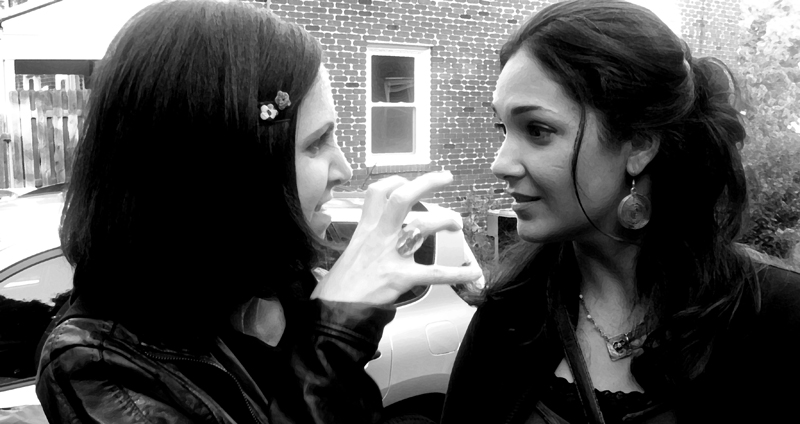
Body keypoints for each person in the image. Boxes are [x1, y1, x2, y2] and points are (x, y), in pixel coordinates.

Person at [35, 1, 482, 423]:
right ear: (230, 167)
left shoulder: (275, 279)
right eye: (317, 143)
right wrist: (333, 341)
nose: (344, 169)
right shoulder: (97, 366)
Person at [441, 1, 800, 423]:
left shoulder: (775, 316)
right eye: (502, 129)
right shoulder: (509, 318)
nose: (500, 163)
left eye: (537, 130)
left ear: (640, 144)